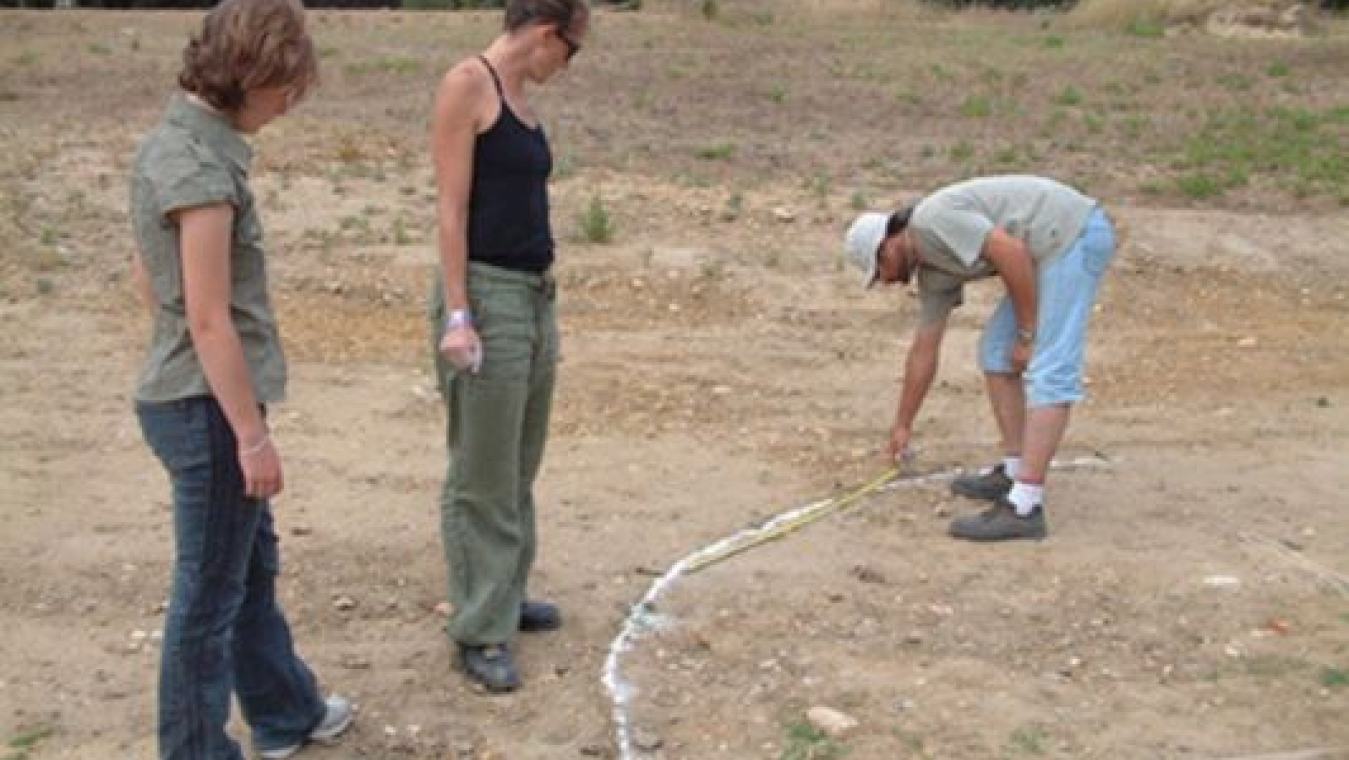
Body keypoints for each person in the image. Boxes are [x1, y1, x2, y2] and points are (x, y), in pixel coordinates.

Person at [128, 0, 352, 757]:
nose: (289, 105)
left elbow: (150, 280)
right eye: (284, 88)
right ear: (248, 73)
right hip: (205, 408)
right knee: (210, 595)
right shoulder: (198, 166)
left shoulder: (176, 143)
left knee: (246, 565)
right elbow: (209, 317)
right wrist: (250, 435)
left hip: (190, 394)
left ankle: (287, 710)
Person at [429, 0, 589, 692]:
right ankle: (478, 627)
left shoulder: (521, 99)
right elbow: (450, 209)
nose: (568, 66)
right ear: (548, 34)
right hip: (488, 298)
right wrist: (459, 312)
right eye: (573, 50)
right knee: (481, 472)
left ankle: (504, 591)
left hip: (534, 294)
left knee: (518, 460)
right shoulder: (468, 83)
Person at [844, 175, 1117, 542]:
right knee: (995, 353)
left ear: (888, 246)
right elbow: (924, 350)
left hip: (1072, 236)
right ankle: (1016, 468)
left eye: (881, 272)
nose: (887, 281)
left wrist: (1027, 333)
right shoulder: (933, 271)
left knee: (1050, 367)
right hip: (1046, 248)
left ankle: (1025, 506)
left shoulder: (933, 221)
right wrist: (903, 425)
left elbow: (1012, 253)